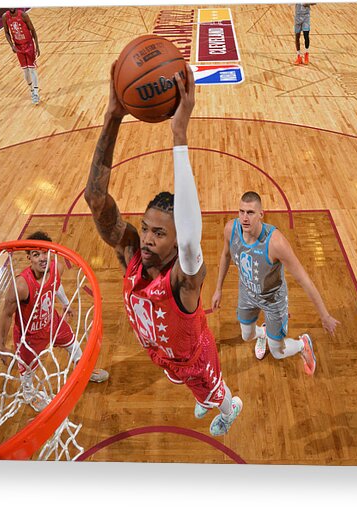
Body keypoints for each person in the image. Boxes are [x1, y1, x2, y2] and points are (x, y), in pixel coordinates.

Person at [84, 64, 243, 437]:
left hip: (193, 360)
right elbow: (95, 197)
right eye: (144, 228)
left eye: (159, 233)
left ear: (175, 241)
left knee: (213, 393)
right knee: (180, 379)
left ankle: (227, 406)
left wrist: (179, 134)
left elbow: (190, 240)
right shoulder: (132, 254)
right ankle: (204, 398)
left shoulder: (185, 280)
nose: (147, 238)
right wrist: (112, 115)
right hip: (162, 354)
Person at [211, 192, 339, 374]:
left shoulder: (276, 243)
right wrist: (218, 289)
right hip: (247, 294)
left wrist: (324, 316)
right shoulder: (231, 230)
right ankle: (263, 333)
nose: (244, 218)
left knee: (278, 352)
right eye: (241, 212)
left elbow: (304, 280)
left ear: (261, 214)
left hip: (273, 300)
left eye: (250, 212)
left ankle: (302, 345)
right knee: (246, 336)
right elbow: (225, 255)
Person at [0, 231, 109, 411]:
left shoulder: (57, 268)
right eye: (36, 254)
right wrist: (1, 345)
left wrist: (65, 303)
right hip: (29, 335)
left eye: (45, 252)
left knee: (73, 344)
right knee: (27, 370)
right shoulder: (21, 286)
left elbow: (56, 285)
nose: (42, 258)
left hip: (52, 322)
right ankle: (29, 394)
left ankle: (85, 371)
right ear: (29, 258)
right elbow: (6, 315)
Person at [2, 8, 41, 104]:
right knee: (25, 70)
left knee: (32, 69)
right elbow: (6, 32)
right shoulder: (5, 17)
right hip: (18, 46)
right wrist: (12, 45)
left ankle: (36, 93)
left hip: (29, 44)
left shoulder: (23, 15)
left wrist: (37, 46)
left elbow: (33, 30)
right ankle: (31, 90)